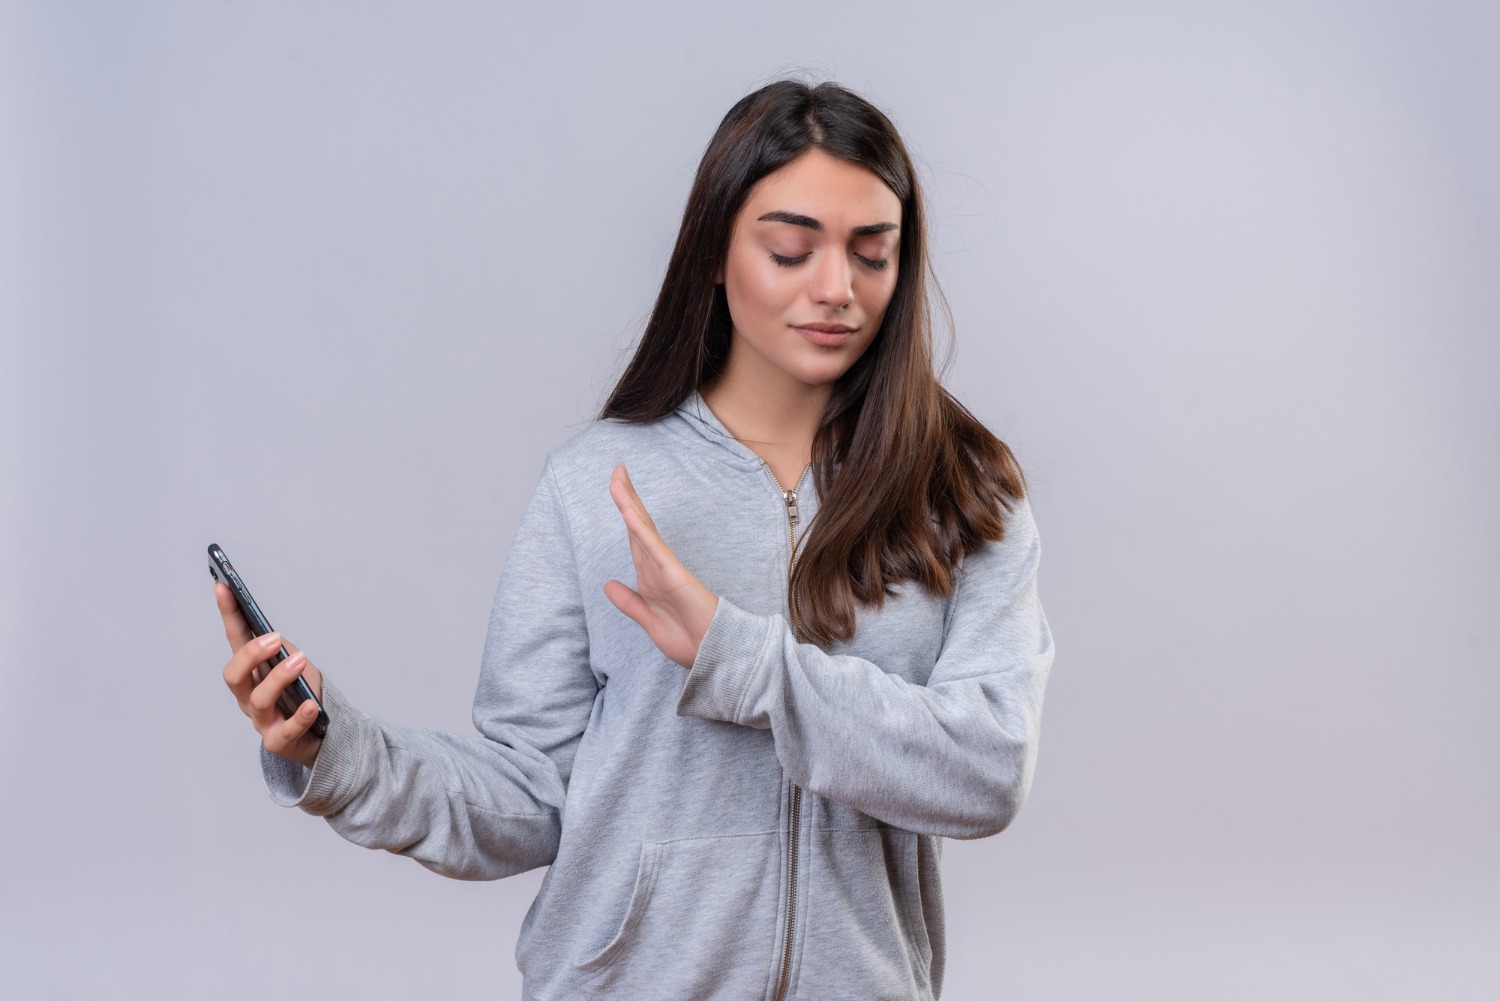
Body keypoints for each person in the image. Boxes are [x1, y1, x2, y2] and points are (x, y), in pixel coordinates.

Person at [216, 78, 1055, 1001]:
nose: (836, 289)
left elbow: (988, 768)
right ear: (715, 253)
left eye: (872, 254)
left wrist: (740, 660)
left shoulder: (964, 493)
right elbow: (529, 795)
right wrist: (339, 753)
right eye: (790, 250)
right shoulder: (595, 483)